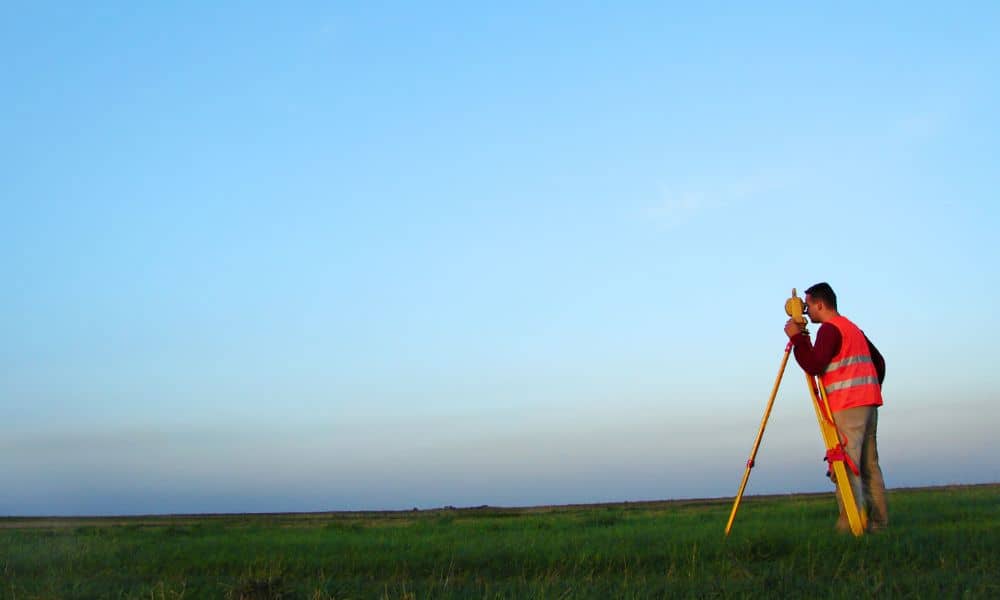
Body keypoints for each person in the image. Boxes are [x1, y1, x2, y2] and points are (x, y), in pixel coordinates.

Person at [783, 282, 889, 532]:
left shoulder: (829, 330)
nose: (806, 311)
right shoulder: (851, 328)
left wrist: (797, 338)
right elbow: (879, 362)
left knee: (847, 466)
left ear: (820, 304)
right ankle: (879, 524)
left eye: (808, 306)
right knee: (870, 466)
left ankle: (850, 525)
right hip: (868, 403)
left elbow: (814, 364)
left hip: (847, 405)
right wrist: (870, 390)